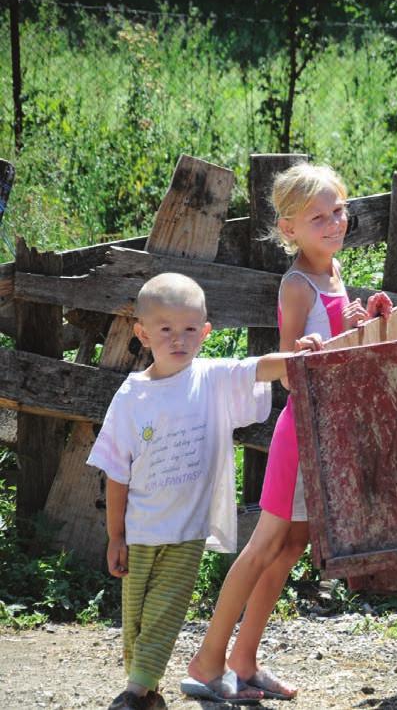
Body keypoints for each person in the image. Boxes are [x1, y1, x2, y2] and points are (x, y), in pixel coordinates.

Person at [187, 163, 392, 702]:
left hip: (323, 429)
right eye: (318, 217)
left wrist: (360, 321)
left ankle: (244, 659)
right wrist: (314, 352)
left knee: (293, 543)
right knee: (263, 546)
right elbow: (292, 363)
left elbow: (336, 338)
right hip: (299, 432)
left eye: (339, 211)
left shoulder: (333, 272)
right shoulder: (297, 283)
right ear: (289, 230)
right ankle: (206, 664)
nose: (333, 224)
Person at [90, 272, 323, 710]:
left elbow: (258, 367)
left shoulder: (211, 379)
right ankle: (144, 689)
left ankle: (134, 693)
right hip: (141, 532)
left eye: (190, 329)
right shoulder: (131, 397)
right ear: (142, 334)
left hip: (186, 532)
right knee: (137, 621)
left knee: (166, 611)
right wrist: (115, 535)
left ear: (206, 331)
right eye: (165, 330)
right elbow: (116, 473)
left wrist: (296, 357)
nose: (179, 339)